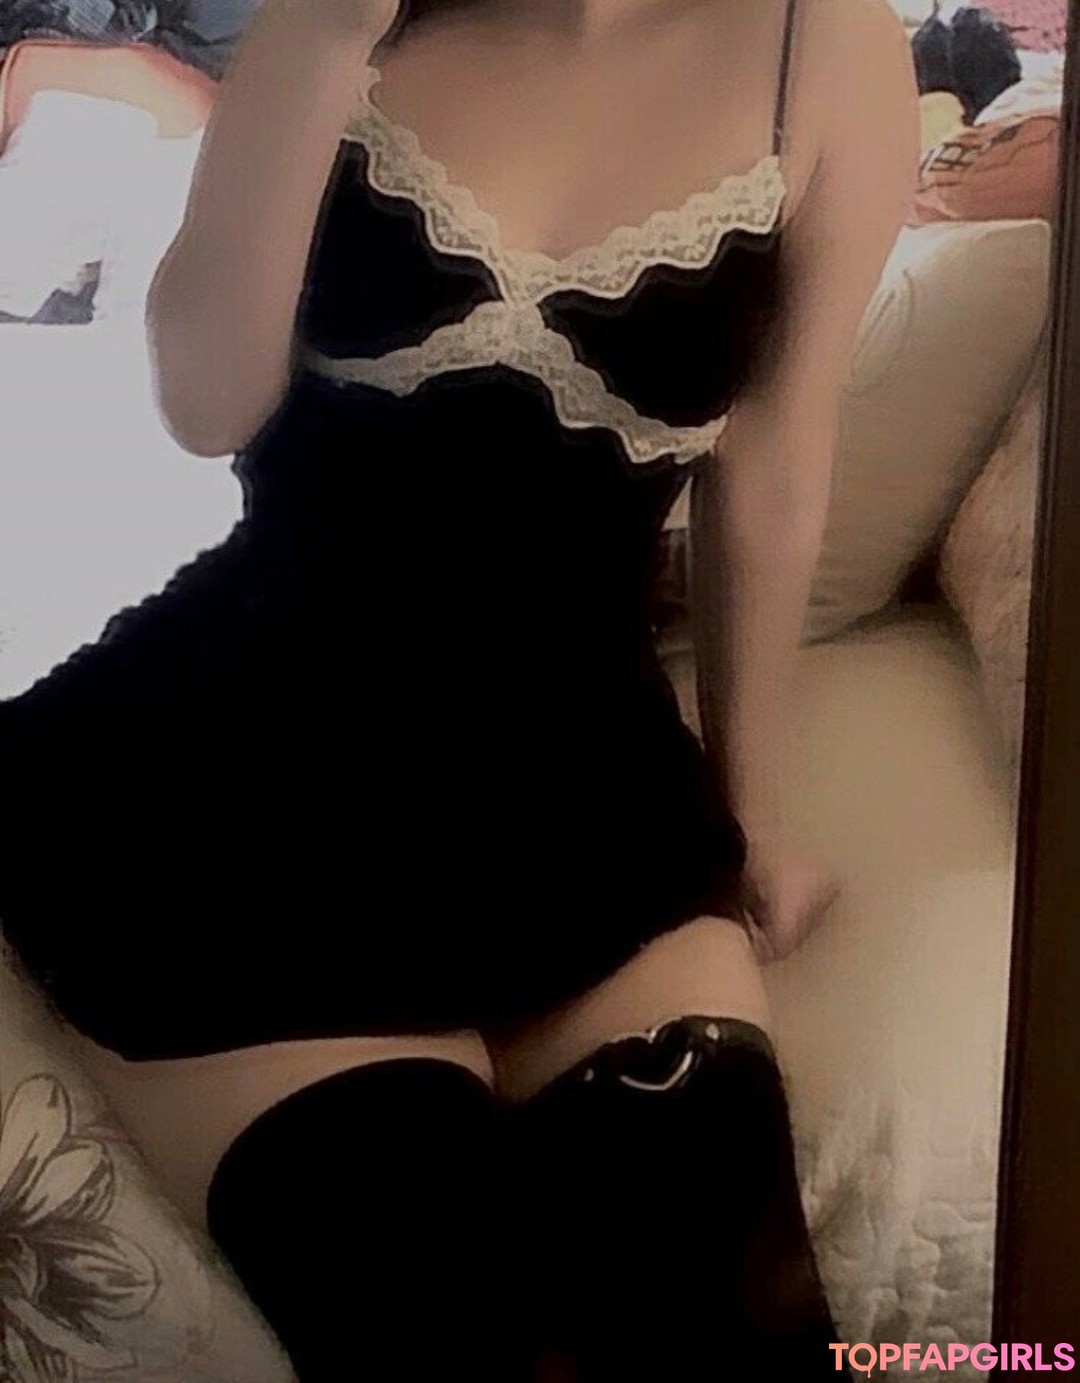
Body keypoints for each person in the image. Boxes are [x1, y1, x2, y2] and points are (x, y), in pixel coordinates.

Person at [0, 0, 918, 1377]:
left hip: (588, 794)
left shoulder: (822, 46)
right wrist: (318, 43)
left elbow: (774, 469)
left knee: (738, 1342)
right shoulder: (341, 24)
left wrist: (755, 813)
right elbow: (203, 402)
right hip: (236, 800)